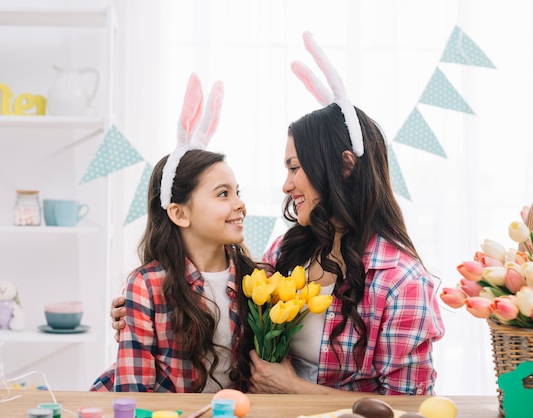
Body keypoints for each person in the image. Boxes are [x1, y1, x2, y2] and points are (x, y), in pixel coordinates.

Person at [111, 32, 445, 396]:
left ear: (345, 166)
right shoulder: (286, 253)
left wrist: (293, 388)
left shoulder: (399, 280)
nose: (286, 186)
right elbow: (218, 302)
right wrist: (146, 308)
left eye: (295, 168)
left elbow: (409, 406)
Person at [90, 74, 259, 393]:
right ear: (180, 213)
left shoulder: (257, 279)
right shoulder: (147, 285)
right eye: (223, 194)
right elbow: (133, 391)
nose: (240, 205)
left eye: (238, 192)